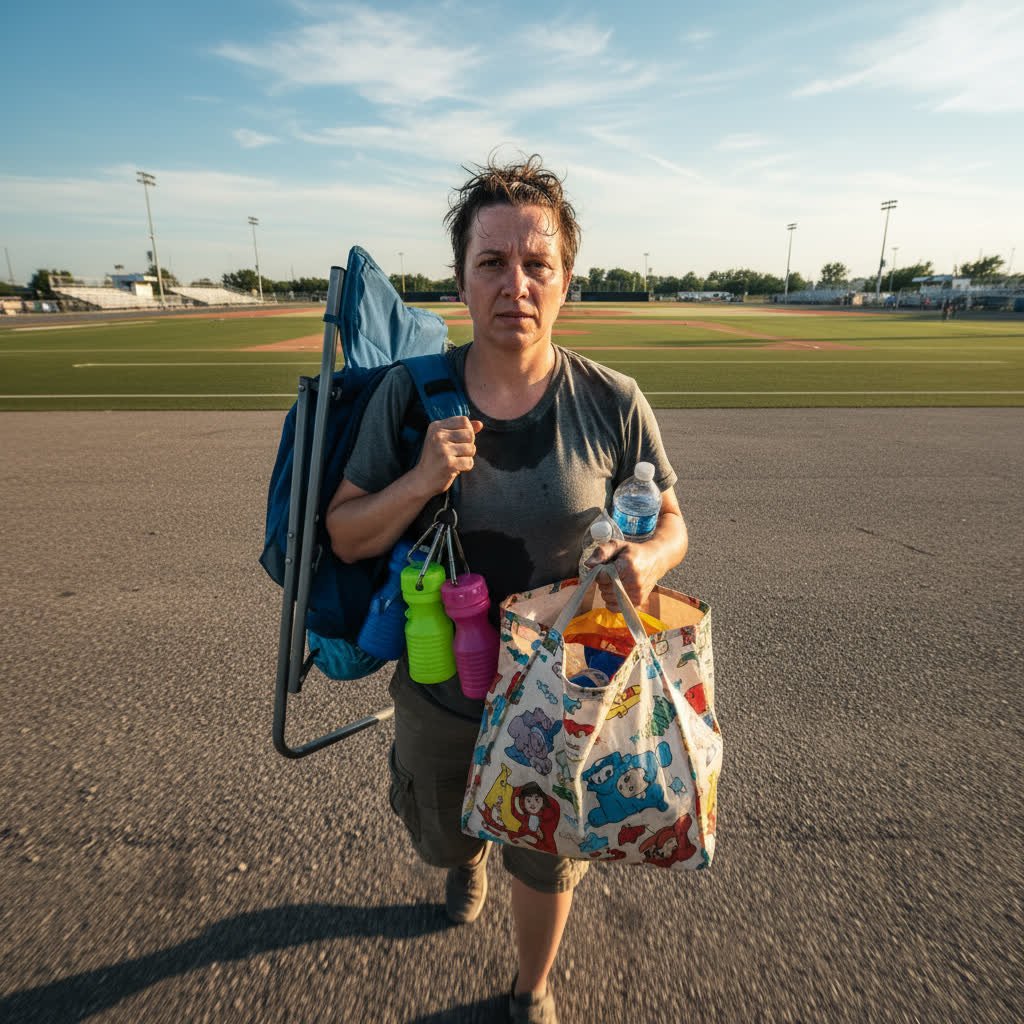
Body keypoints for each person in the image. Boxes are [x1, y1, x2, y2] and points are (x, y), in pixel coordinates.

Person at [326, 154, 688, 1024]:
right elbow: (344, 533)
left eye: (536, 264)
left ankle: (531, 988)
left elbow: (673, 522)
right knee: (445, 832)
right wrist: (418, 480)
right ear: (461, 279)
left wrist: (647, 563)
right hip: (440, 681)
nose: (514, 283)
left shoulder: (612, 399)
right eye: (492, 262)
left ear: (566, 280)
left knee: (548, 855)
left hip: (568, 693)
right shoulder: (411, 396)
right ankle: (465, 858)